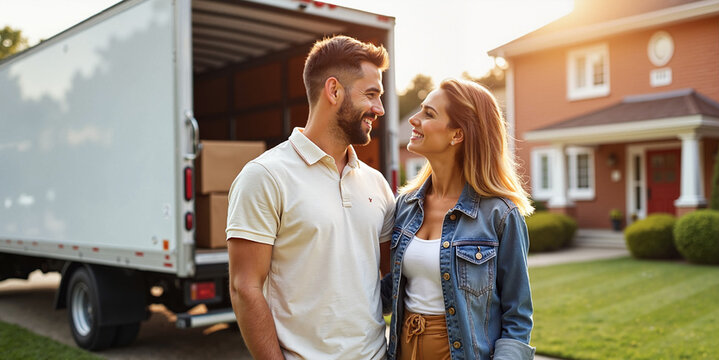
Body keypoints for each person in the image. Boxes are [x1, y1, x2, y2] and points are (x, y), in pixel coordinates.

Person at [226, 35, 394, 359]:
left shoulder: (376, 183)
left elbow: (395, 275)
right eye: (371, 95)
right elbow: (244, 288)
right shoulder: (265, 176)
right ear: (334, 91)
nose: (380, 109)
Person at [386, 79, 535, 360]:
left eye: (429, 114)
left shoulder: (500, 215)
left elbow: (518, 317)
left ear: (457, 135)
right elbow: (385, 291)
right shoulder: (405, 206)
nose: (414, 120)